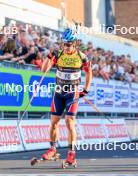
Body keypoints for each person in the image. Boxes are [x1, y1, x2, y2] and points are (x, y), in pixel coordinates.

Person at [40, 28, 92, 165]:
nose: (66, 47)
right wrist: (49, 57)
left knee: (69, 122)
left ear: (75, 44)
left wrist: (86, 90)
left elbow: (89, 73)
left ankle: (71, 154)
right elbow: (44, 70)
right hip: (58, 93)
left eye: (69, 44)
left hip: (72, 93)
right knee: (54, 123)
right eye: (64, 44)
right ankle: (52, 149)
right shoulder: (58, 54)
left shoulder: (81, 57)